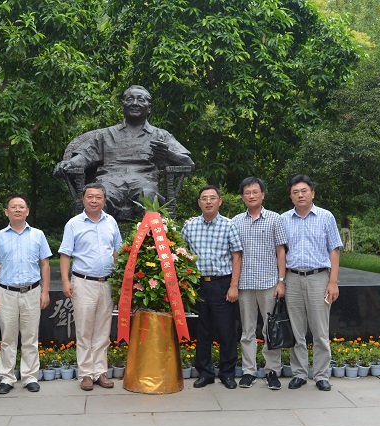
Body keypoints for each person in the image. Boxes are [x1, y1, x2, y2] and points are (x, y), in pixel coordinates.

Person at [53, 85, 194, 220]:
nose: (135, 103)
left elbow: (189, 163)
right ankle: (95, 235)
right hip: (109, 182)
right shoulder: (105, 135)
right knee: (99, 196)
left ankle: (151, 237)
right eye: (130, 99)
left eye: (141, 100)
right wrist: (68, 164)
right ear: (123, 106)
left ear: (149, 108)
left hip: (144, 182)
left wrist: (168, 154)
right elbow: (84, 157)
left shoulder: (160, 135)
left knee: (149, 196)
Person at [281, 175, 343, 391]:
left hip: (319, 278)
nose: (300, 195)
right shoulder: (284, 219)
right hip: (292, 278)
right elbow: (281, 252)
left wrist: (333, 281)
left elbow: (334, 250)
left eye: (304, 191)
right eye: (295, 192)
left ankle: (321, 375)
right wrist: (281, 280)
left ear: (312, 193)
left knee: (320, 330)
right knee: (297, 330)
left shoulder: (326, 217)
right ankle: (299, 373)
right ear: (291, 196)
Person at [58, 183, 122, 391]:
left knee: (103, 330)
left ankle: (100, 372)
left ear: (104, 200)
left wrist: (120, 278)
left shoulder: (111, 222)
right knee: (84, 330)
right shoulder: (73, 224)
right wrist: (66, 281)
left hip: (107, 283)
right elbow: (65, 254)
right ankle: (86, 373)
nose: (94, 200)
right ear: (83, 199)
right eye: (90, 197)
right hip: (83, 282)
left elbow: (117, 251)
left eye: (98, 197)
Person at [0, 195, 51, 395]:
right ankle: (7, 378)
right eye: (13, 207)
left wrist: (45, 292)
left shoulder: (38, 235)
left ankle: (30, 377)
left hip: (32, 292)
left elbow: (45, 264)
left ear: (27, 211)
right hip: (6, 293)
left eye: (21, 207)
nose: (17, 210)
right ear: (6, 212)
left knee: (30, 337)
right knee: (8, 338)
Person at [181, 185, 242, 389]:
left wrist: (234, 286)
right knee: (203, 330)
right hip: (198, 285)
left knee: (226, 331)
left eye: (212, 198)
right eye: (204, 198)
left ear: (219, 201)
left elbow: (236, 256)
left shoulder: (229, 225)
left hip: (222, 284)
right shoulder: (190, 226)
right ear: (199, 202)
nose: (208, 201)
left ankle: (227, 373)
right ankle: (205, 373)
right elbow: (181, 254)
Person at [232, 177, 287, 390]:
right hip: (245, 284)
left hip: (269, 283)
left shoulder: (275, 219)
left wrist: (281, 281)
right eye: (247, 192)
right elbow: (234, 254)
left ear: (263, 194)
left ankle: (272, 371)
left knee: (270, 329)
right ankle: (249, 371)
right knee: (247, 331)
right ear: (242, 197)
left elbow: (281, 251)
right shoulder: (236, 221)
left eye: (255, 192)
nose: (251, 195)